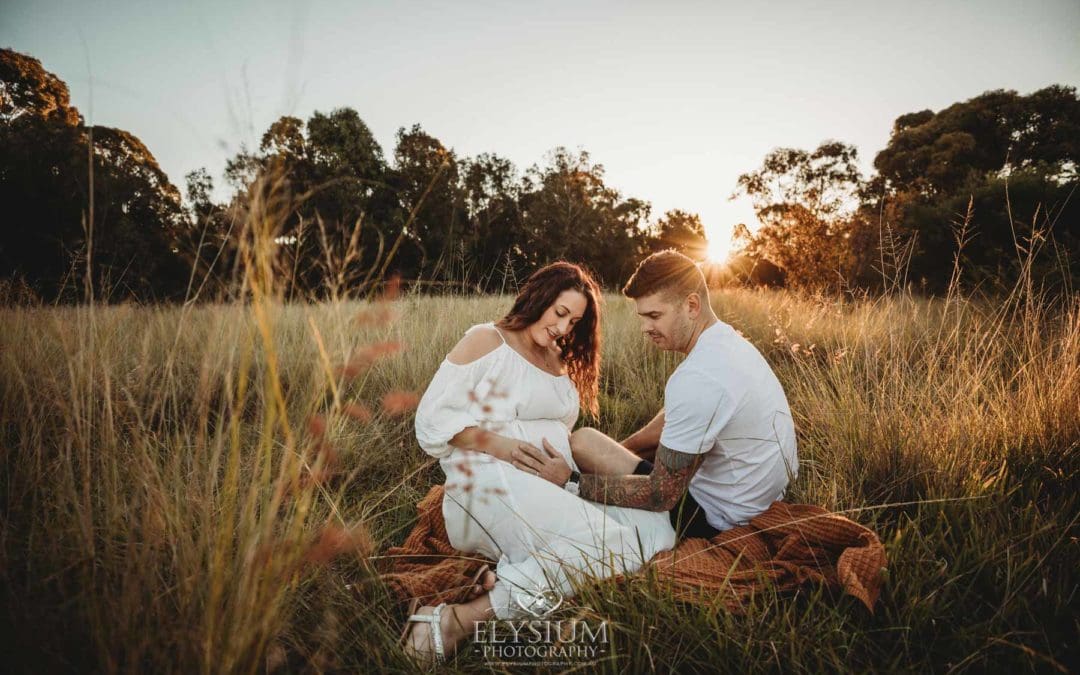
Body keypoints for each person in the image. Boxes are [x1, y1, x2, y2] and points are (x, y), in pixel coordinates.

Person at [402, 261, 676, 665]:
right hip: (488, 482)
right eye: (560, 313)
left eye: (575, 321)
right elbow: (431, 420)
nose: (564, 329)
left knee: (657, 532)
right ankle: (457, 620)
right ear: (538, 298)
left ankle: (502, 578)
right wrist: (505, 447)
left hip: (554, 486)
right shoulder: (487, 340)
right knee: (609, 548)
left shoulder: (557, 356)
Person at [512, 249, 799, 542]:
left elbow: (661, 495)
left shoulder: (698, 377)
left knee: (573, 498)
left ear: (691, 305)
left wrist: (572, 481)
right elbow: (676, 417)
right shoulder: (727, 344)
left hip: (716, 520)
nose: (645, 328)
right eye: (643, 316)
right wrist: (625, 450)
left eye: (654, 316)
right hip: (754, 500)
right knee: (586, 442)